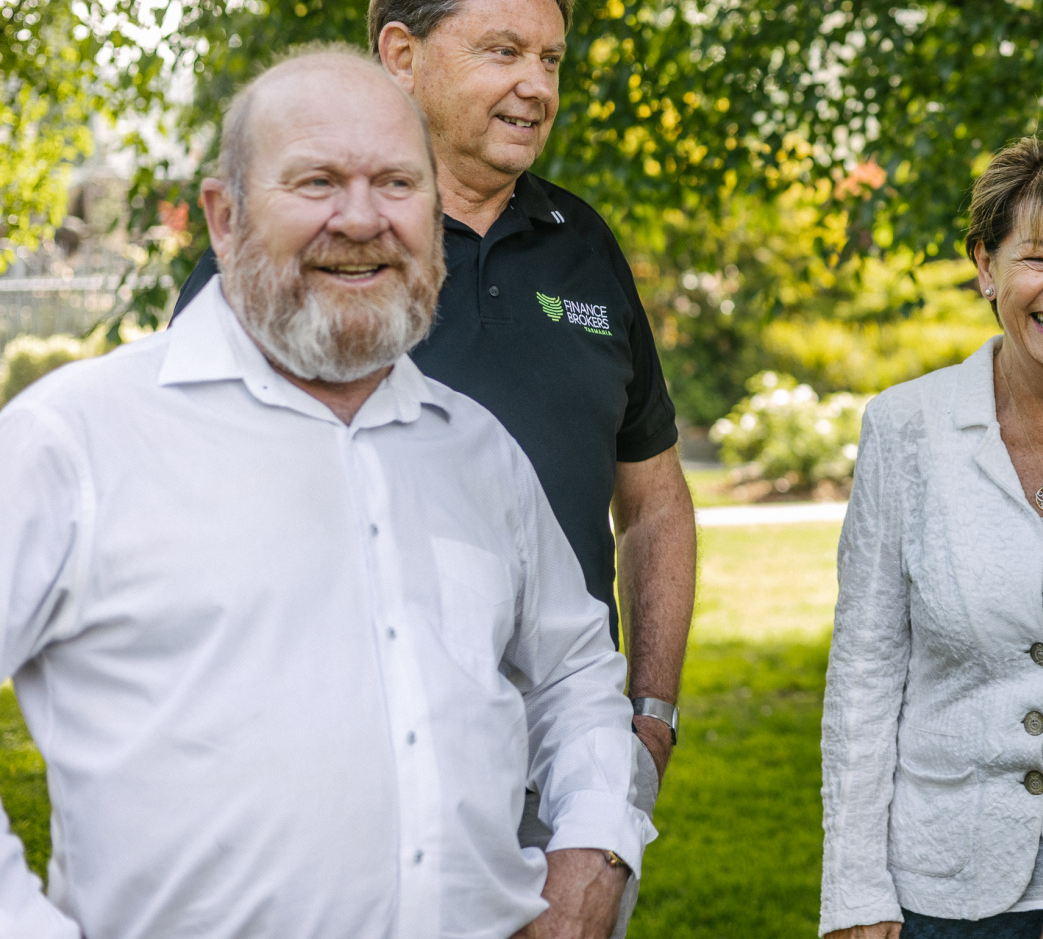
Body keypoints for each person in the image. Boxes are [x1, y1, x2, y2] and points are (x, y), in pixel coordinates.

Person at [0, 49, 652, 939]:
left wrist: (595, 848)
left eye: (397, 184)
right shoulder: (77, 439)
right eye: (316, 182)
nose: (362, 218)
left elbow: (574, 676)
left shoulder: (477, 451)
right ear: (224, 217)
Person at [172, 0, 693, 923]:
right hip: (334, 782)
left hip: (565, 777)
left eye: (551, 58)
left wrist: (646, 723)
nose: (538, 86)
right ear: (401, 57)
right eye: (502, 50)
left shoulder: (584, 245)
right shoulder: (293, 253)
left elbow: (656, 501)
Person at [819, 139, 1043, 939]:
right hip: (941, 889)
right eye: (1037, 258)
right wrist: (855, 892)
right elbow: (865, 672)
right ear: (985, 265)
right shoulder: (906, 428)